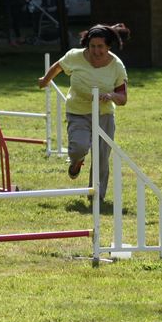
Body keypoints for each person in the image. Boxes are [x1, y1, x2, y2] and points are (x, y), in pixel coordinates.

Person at [37, 23, 130, 203]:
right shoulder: (75, 56)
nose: (96, 51)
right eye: (92, 46)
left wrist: (111, 95)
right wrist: (45, 80)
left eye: (100, 47)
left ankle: (97, 197)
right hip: (78, 111)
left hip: (104, 115)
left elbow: (123, 97)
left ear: (109, 46)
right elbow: (58, 66)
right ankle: (76, 162)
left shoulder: (117, 66)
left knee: (102, 157)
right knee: (78, 147)